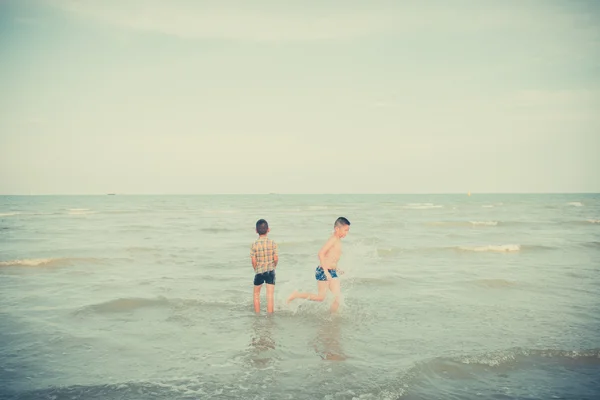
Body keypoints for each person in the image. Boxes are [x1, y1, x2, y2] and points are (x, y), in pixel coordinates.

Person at [286, 217, 350, 312]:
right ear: (337, 229)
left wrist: (337, 268)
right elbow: (321, 253)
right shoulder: (333, 239)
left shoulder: (337, 240)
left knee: (337, 298)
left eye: (347, 231)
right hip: (323, 271)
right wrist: (325, 272)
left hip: (332, 271)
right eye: (345, 230)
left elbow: (331, 258)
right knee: (321, 298)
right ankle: (296, 295)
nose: (346, 233)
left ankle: (332, 319)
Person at [250, 219, 278, 313]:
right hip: (270, 271)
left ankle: (257, 315)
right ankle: (270, 317)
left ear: (256, 231)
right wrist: (274, 266)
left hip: (259, 272)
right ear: (268, 229)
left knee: (256, 295)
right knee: (270, 296)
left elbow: (253, 261)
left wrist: (256, 269)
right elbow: (276, 258)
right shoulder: (273, 243)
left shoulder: (254, 244)